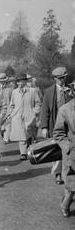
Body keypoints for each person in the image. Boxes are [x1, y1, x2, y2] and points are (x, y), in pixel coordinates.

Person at [40, 67, 73, 185]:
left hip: (70, 126)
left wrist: (72, 94)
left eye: (63, 78)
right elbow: (44, 110)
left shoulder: (71, 89)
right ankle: (58, 174)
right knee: (57, 149)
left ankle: (68, 172)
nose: (62, 80)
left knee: (69, 149)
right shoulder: (49, 92)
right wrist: (44, 127)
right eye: (59, 78)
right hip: (56, 124)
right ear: (54, 79)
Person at [53, 79, 75, 217]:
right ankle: (65, 204)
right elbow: (58, 134)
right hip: (73, 152)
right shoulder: (65, 109)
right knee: (72, 186)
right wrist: (69, 148)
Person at [8, 73, 41, 160]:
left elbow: (38, 102)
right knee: (21, 135)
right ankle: (23, 153)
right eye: (17, 82)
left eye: (20, 81)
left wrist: (35, 112)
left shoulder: (32, 91)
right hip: (18, 117)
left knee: (29, 134)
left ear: (25, 81)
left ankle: (30, 151)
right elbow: (12, 105)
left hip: (29, 116)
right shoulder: (15, 92)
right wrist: (12, 113)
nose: (18, 83)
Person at [0, 73, 13, 144]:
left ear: (6, 81)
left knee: (8, 125)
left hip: (8, 110)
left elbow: (13, 99)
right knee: (0, 127)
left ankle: (6, 139)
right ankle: (3, 136)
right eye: (1, 80)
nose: (3, 82)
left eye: (4, 80)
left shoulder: (11, 88)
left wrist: (12, 109)